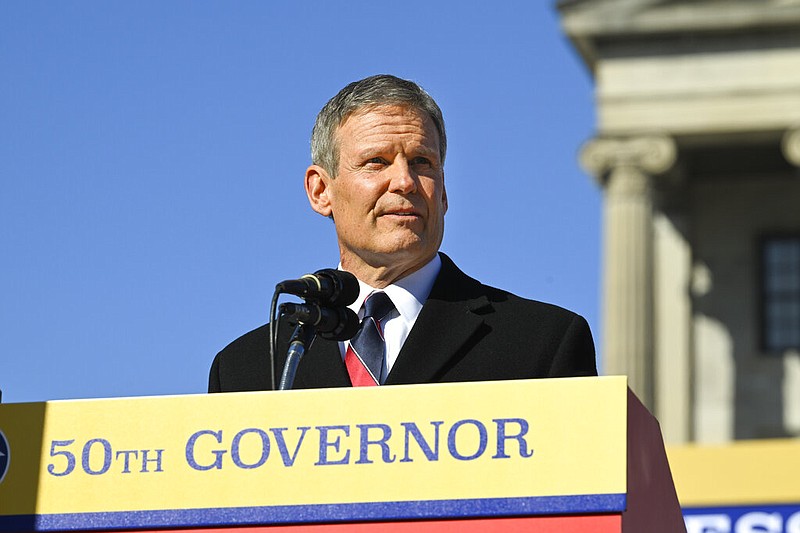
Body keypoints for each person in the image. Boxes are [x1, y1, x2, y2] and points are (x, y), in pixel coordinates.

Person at [209, 74, 596, 392]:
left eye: (422, 163)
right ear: (320, 190)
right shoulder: (249, 368)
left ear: (443, 192)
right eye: (376, 162)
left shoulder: (542, 343)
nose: (405, 182)